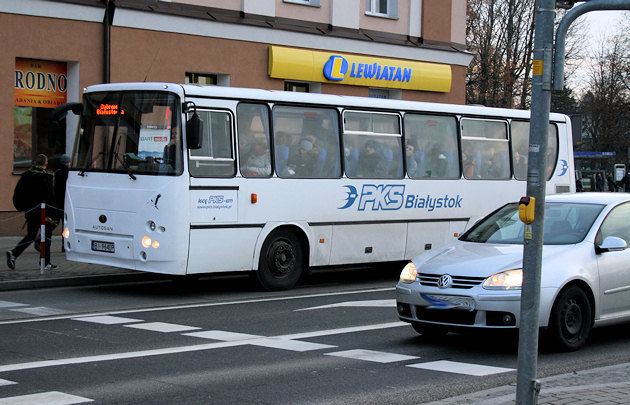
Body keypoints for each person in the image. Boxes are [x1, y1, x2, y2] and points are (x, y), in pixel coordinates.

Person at [6, 154, 57, 271]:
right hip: (44, 212)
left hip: (31, 211)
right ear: (45, 164)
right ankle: (45, 262)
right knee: (47, 236)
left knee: (31, 235)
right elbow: (50, 197)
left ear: (34, 162)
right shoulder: (46, 178)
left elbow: (18, 193)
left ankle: (13, 253)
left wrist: (23, 207)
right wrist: (53, 214)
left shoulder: (26, 176)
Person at [54, 154, 70, 252]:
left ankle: (40, 239)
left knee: (55, 222)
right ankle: (64, 244)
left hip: (56, 200)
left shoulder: (56, 171)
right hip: (64, 201)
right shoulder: (66, 173)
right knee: (65, 224)